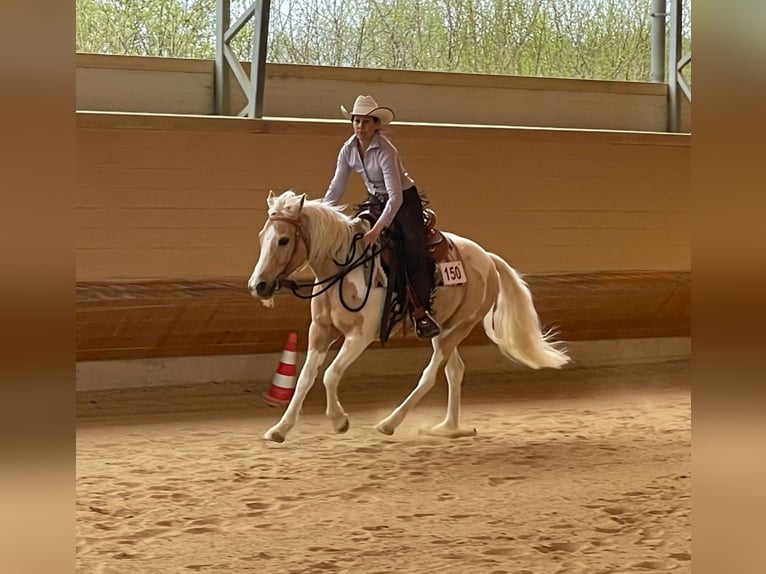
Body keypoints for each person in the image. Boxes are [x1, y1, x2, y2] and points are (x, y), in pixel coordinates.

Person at [322, 95, 441, 339]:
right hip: (376, 199)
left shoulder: (386, 150)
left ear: (376, 125)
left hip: (404, 201)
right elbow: (337, 186)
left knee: (413, 249)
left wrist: (376, 230)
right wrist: (322, 214)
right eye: (356, 120)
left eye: (366, 121)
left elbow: (396, 197)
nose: (360, 126)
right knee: (352, 238)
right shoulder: (347, 150)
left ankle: (421, 311)